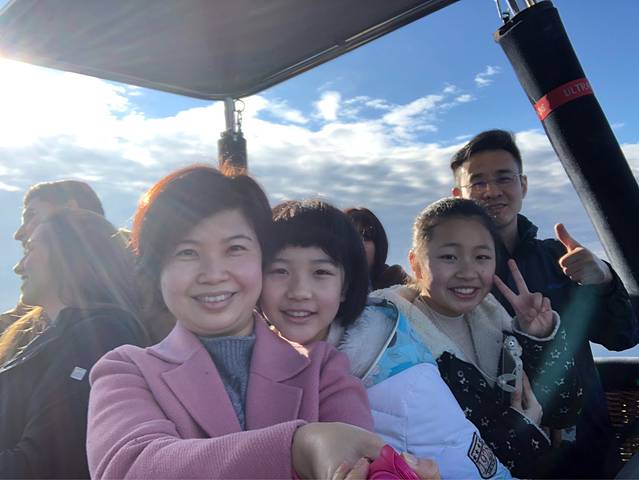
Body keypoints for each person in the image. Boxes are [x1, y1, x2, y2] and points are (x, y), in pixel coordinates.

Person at [86, 165, 405, 480]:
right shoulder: (126, 370)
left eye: (235, 248)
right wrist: (295, 449)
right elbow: (128, 467)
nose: (213, 274)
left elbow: (359, 466)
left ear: (261, 258)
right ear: (157, 269)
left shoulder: (323, 370)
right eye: (186, 252)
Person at [260, 199, 511, 479]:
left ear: (345, 286)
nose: (299, 291)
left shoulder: (396, 380)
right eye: (280, 271)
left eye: (320, 272)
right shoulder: (271, 350)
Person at [450, 129, 639, 477]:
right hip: (501, 452)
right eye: (477, 182)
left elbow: (622, 337)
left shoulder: (559, 260)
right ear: (458, 195)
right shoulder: (453, 278)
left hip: (587, 442)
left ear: (523, 185)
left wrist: (604, 280)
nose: (492, 191)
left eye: (504, 178)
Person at [366, 198, 582, 478]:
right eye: (449, 257)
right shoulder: (392, 348)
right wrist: (521, 432)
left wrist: (540, 338)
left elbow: (563, 412)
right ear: (416, 264)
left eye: (481, 257)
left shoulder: (498, 323)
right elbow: (444, 457)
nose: (468, 272)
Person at [0, 209, 147, 478]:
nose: (18, 266)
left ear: (68, 255)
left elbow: (45, 465)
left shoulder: (101, 334)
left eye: (30, 249)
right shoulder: (52, 336)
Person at [1, 180, 105, 334]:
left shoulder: (109, 319)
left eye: (31, 215)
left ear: (71, 210)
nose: (18, 234)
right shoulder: (29, 313)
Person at [344, 207, 410, 290]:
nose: (358, 243)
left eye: (366, 236)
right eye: (350, 237)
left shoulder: (397, 281)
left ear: (378, 244)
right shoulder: (330, 283)